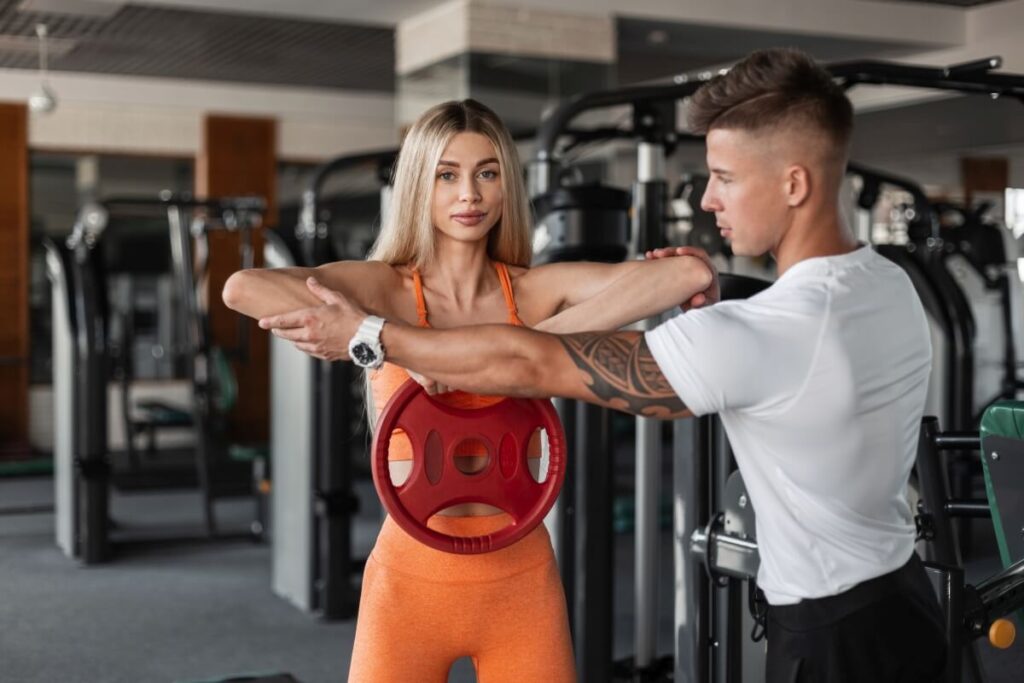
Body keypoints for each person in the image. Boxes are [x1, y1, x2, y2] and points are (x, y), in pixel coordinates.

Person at [262, 49, 949, 682]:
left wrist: (376, 337)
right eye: (446, 175)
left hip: (830, 638)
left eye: (723, 178)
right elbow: (527, 351)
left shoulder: (756, 334)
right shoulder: (888, 285)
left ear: (794, 183)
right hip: (906, 602)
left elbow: (526, 360)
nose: (707, 200)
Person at [222, 98, 714, 682]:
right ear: (417, 187)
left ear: (507, 186)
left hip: (520, 579)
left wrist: (520, 349)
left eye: (487, 173)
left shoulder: (531, 293)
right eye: (447, 175)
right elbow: (242, 288)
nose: (469, 196)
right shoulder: (385, 289)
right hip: (410, 579)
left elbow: (687, 274)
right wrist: (382, 337)